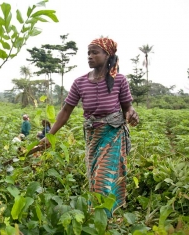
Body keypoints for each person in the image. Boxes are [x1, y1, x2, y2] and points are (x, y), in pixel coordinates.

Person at [39, 37, 139, 218]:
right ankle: (102, 219)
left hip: (113, 134)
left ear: (108, 55)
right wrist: (50, 135)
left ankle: (102, 218)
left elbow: (127, 107)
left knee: (103, 177)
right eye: (88, 53)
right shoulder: (80, 82)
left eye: (95, 52)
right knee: (94, 177)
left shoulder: (120, 80)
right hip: (93, 135)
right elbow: (66, 110)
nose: (90, 56)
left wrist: (132, 113)